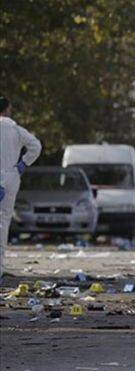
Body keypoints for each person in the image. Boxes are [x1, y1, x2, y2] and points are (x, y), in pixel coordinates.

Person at [0, 97, 42, 278]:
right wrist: (23, 164)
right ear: (7, 109)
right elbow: (36, 146)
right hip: (10, 175)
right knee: (3, 221)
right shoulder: (15, 129)